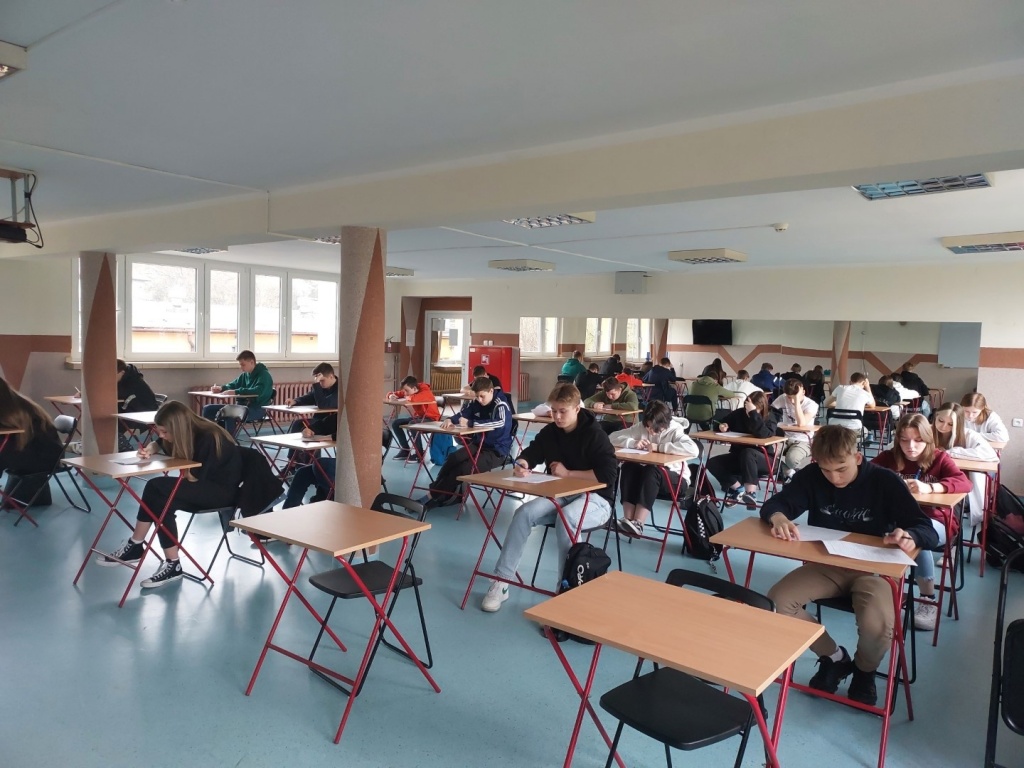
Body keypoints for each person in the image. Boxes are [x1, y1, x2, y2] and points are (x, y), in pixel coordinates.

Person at [762, 426, 938, 706]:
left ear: (857, 457)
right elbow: (776, 504)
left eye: (841, 469)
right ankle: (834, 658)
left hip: (876, 570)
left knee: (877, 624)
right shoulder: (812, 475)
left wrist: (910, 535)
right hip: (828, 564)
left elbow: (927, 530)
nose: (834, 478)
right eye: (826, 470)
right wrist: (779, 517)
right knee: (777, 602)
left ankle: (864, 671)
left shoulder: (885, 480)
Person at [480, 383, 616, 612]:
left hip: (597, 499)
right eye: (554, 411)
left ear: (577, 409)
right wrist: (522, 463)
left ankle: (565, 588)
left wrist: (569, 473)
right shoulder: (551, 432)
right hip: (561, 494)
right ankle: (502, 582)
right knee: (523, 513)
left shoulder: (595, 435)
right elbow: (532, 452)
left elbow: (608, 475)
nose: (557, 416)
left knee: (567, 518)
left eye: (563, 411)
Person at [97, 400, 243, 588]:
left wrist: (177, 462)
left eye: (165, 432)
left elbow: (194, 477)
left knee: (156, 487)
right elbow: (159, 443)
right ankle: (172, 564)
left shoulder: (209, 437)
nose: (161, 435)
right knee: (160, 500)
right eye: (159, 431)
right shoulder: (187, 433)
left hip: (221, 492)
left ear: (179, 428)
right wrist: (150, 449)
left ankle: (136, 544)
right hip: (204, 487)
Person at [871, 414, 970, 631]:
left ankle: (928, 599)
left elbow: (964, 482)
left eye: (918, 440)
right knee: (890, 535)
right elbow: (864, 475)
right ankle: (889, 592)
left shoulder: (939, 458)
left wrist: (931, 487)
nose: (911, 447)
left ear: (928, 439)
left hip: (936, 522)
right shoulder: (889, 458)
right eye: (904, 440)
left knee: (916, 536)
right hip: (897, 521)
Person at [418, 377, 513, 510]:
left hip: (497, 451)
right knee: (453, 458)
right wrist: (450, 419)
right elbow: (464, 413)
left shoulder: (500, 404)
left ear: (491, 391)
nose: (479, 400)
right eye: (477, 396)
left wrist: (471, 423)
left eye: (482, 396)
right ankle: (440, 492)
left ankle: (432, 495)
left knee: (462, 469)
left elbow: (500, 422)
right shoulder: (477, 402)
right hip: (479, 444)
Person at [609, 401, 698, 537]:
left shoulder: (675, 430)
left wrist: (660, 447)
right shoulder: (641, 427)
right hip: (647, 481)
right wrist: (632, 443)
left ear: (664, 425)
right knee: (628, 466)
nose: (650, 431)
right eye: (648, 427)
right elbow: (611, 438)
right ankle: (628, 520)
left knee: (652, 470)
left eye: (655, 429)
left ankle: (638, 523)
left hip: (676, 480)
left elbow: (693, 449)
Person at [705, 390, 779, 509]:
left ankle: (751, 493)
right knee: (713, 463)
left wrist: (753, 414)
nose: (747, 412)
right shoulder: (739, 413)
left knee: (748, 452)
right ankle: (739, 489)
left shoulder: (769, 416)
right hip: (739, 457)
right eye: (746, 408)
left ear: (762, 407)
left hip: (764, 459)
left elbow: (764, 434)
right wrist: (721, 426)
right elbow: (719, 423)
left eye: (752, 409)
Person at [0, 377, 64, 507]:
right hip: (36, 450)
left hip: (45, 457)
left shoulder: (14, 409)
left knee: (3, 448)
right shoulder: (14, 401)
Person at [933, 402, 997, 527]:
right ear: (935, 416)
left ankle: (950, 532)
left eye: (950, 424)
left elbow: (990, 455)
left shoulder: (968, 434)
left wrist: (950, 452)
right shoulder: (926, 432)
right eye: (940, 420)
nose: (944, 426)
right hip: (930, 482)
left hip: (958, 488)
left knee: (946, 511)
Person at [202, 350, 274, 436]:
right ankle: (210, 438)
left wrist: (236, 391)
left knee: (229, 412)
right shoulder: (245, 375)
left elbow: (258, 391)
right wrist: (221, 388)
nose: (241, 367)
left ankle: (229, 440)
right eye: (240, 365)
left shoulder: (264, 375)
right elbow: (233, 384)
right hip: (241, 407)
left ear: (252, 362)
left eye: (243, 364)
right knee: (208, 409)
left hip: (257, 409)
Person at [771, 378, 818, 479]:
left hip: (803, 440)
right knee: (767, 453)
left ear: (803, 392)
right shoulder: (783, 398)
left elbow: (802, 423)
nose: (791, 400)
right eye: (789, 397)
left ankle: (788, 473)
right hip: (784, 437)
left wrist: (796, 401)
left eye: (794, 397)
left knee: (791, 459)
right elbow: (770, 412)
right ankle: (789, 473)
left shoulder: (812, 405)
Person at [387, 376, 441, 460]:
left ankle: (419, 453)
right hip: (419, 417)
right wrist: (391, 395)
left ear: (415, 389)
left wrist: (406, 396)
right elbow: (396, 393)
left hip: (431, 419)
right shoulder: (411, 389)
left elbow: (414, 399)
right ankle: (405, 450)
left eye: (406, 391)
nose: (405, 393)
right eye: (404, 390)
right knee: (396, 423)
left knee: (412, 424)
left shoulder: (425, 391)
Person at [285, 362, 339, 436]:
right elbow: (309, 397)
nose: (320, 383)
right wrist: (295, 401)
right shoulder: (322, 387)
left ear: (331, 376)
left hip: (330, 422)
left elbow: (323, 405)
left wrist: (317, 384)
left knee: (306, 427)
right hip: (318, 419)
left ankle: (310, 443)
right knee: (297, 424)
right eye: (318, 381)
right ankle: (295, 444)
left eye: (322, 380)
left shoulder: (340, 389)